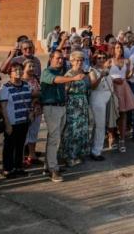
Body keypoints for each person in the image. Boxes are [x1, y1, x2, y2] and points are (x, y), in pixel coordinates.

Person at [40, 49, 87, 182]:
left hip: (61, 107)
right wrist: (73, 78)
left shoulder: (61, 70)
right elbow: (56, 80)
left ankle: (48, 165)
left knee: (55, 138)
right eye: (57, 58)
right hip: (51, 107)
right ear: (51, 58)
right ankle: (53, 169)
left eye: (62, 58)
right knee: (54, 138)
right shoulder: (47, 72)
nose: (60, 60)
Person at [0, 61, 32, 177]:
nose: (18, 72)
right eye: (15, 70)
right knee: (9, 146)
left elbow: (30, 101)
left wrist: (31, 112)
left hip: (24, 121)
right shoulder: (5, 88)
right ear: (10, 73)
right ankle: (7, 169)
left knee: (20, 145)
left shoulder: (27, 85)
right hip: (12, 122)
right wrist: (7, 124)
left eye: (20, 69)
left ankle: (18, 167)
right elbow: (3, 108)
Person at [59, 51, 92, 165]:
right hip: (73, 105)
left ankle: (77, 154)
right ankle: (69, 157)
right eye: (77, 60)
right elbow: (65, 92)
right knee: (72, 131)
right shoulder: (69, 74)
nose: (79, 62)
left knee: (81, 130)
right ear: (71, 61)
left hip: (83, 103)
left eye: (81, 60)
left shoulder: (83, 73)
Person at [108, 42, 134, 152]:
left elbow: (127, 76)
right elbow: (105, 74)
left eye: (120, 47)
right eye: (117, 47)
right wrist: (113, 79)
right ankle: (111, 137)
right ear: (113, 49)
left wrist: (132, 71)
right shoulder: (109, 61)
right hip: (113, 87)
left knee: (123, 114)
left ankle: (122, 139)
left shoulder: (127, 61)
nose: (119, 49)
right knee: (112, 114)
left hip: (124, 87)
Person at [87, 51, 113, 161]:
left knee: (103, 125)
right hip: (97, 98)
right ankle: (96, 151)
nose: (101, 60)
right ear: (95, 59)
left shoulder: (108, 69)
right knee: (100, 126)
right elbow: (93, 86)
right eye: (99, 58)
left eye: (103, 57)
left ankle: (94, 148)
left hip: (108, 97)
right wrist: (101, 76)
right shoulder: (92, 70)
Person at [21, 60, 43, 167]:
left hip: (37, 110)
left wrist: (37, 95)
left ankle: (32, 155)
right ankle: (21, 159)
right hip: (25, 111)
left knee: (34, 133)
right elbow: (26, 95)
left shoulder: (35, 79)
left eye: (33, 66)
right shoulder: (21, 81)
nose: (32, 68)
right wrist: (37, 94)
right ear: (24, 68)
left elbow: (40, 92)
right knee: (24, 135)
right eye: (30, 66)